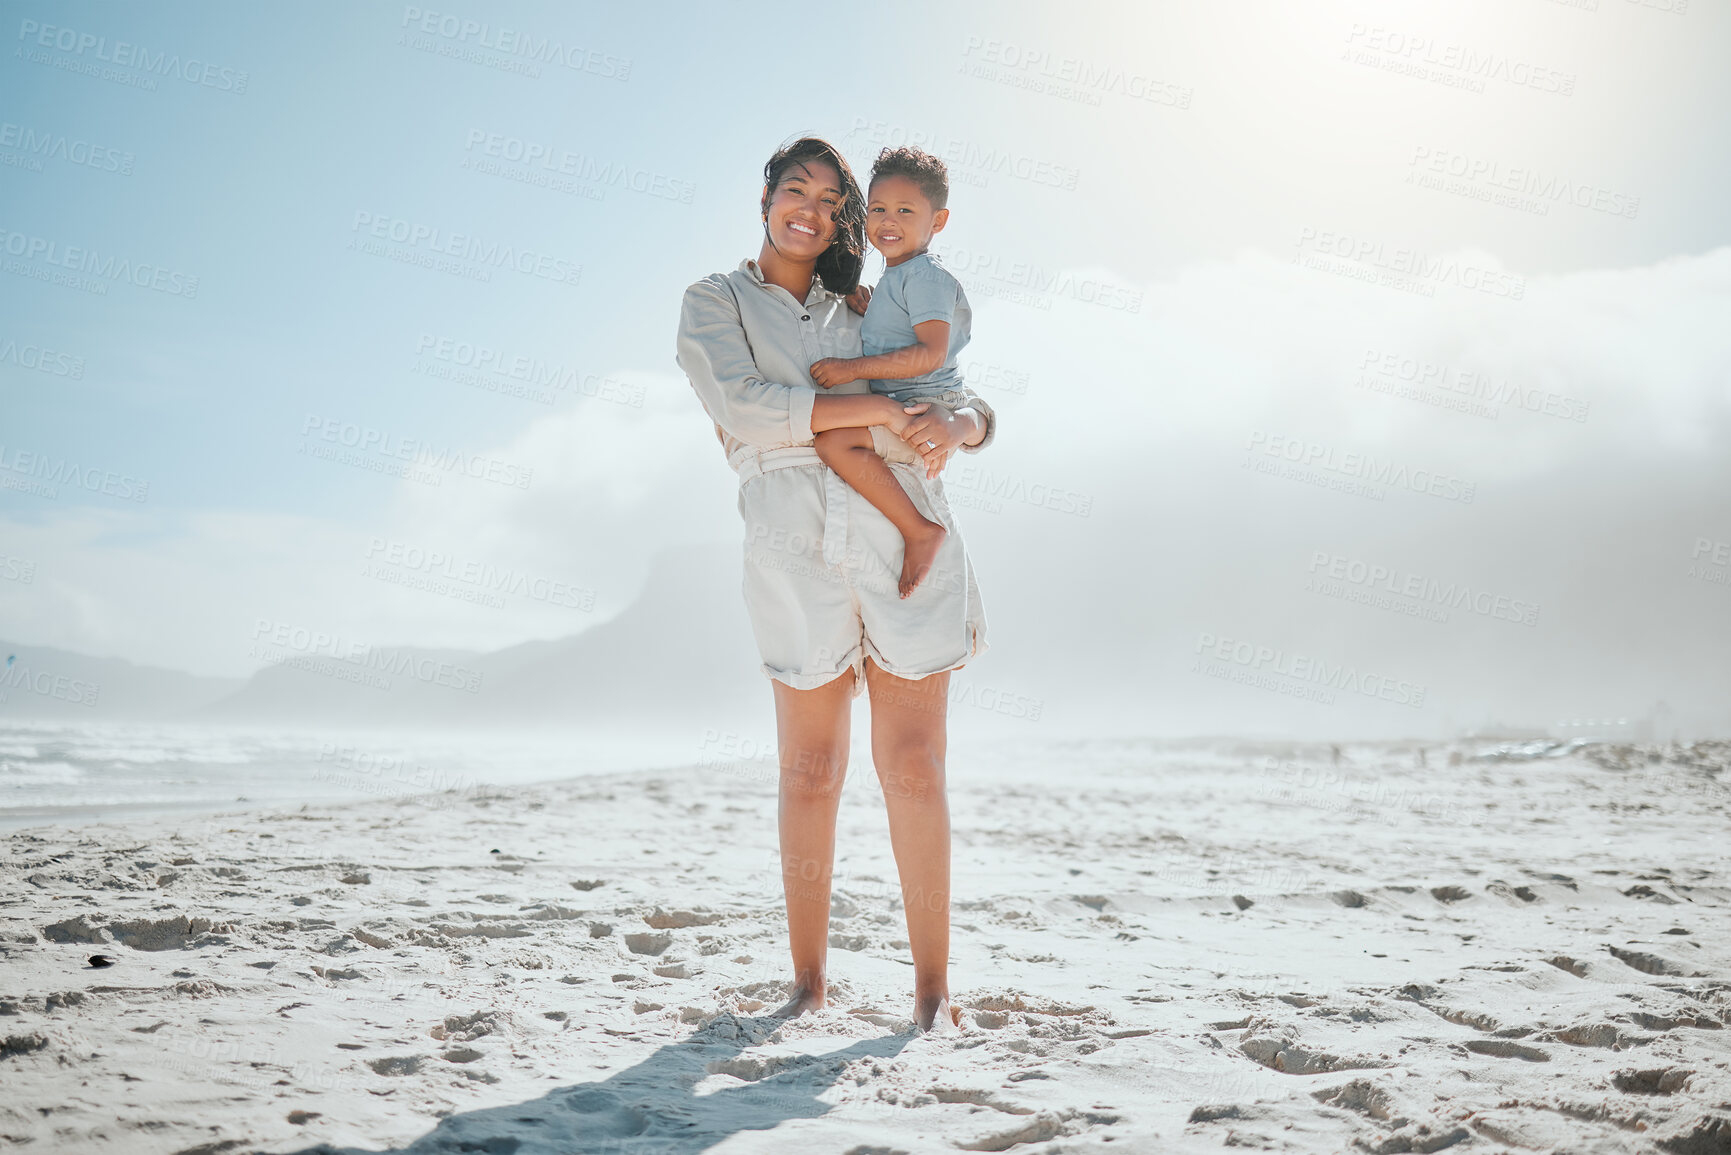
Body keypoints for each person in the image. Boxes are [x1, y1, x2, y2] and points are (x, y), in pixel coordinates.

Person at [675, 136, 998, 1033]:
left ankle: (932, 993)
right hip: (790, 550)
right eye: (794, 189)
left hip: (905, 537)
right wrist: (873, 407)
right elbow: (742, 407)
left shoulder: (869, 301)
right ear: (766, 199)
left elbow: (952, 390)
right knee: (811, 772)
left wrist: (965, 422)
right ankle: (808, 983)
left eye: (830, 197)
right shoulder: (717, 301)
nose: (809, 209)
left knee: (915, 768)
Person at [809, 147, 972, 598]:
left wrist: (851, 368)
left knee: (836, 440)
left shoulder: (925, 276)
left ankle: (920, 530)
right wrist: (871, 308)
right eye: (878, 209)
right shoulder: (898, 278)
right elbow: (901, 330)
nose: (888, 220)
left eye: (905, 210)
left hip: (925, 407)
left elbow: (929, 354)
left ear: (937, 222)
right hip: (909, 404)